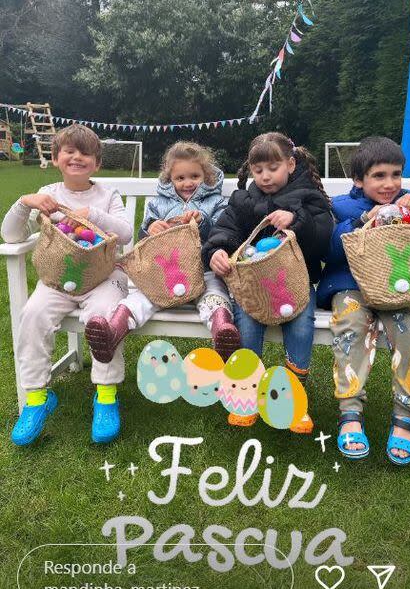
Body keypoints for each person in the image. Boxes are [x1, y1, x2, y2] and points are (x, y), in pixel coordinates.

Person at [1, 124, 133, 446]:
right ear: (57, 158)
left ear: (97, 164)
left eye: (85, 152)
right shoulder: (49, 194)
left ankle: (105, 395)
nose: (77, 157)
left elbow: (126, 234)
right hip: (58, 281)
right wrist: (24, 202)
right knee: (32, 314)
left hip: (104, 278)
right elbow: (10, 236)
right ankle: (36, 399)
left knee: (103, 317)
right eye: (69, 151)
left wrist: (93, 215)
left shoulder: (107, 195)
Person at [203, 132, 334, 431]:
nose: (265, 177)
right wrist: (217, 251)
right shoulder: (243, 200)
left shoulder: (308, 197)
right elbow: (225, 229)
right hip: (253, 288)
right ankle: (246, 393)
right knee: (247, 324)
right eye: (258, 170)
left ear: (290, 164)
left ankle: (293, 395)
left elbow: (323, 240)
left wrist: (297, 220)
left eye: (272, 168)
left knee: (301, 323)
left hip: (296, 284)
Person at [317, 136, 410, 465]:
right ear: (359, 180)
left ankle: (405, 417)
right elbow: (328, 251)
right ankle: (350, 414)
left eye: (396, 174)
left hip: (399, 289)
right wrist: (362, 221)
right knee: (350, 329)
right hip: (351, 286)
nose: (390, 184)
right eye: (379, 176)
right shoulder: (340, 207)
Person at [85, 141, 240, 365]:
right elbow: (143, 240)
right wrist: (150, 228)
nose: (187, 183)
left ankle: (222, 333)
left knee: (215, 296)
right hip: (163, 274)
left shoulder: (215, 202)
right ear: (170, 179)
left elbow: (222, 233)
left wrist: (202, 221)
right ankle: (112, 333)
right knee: (140, 298)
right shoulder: (158, 204)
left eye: (194, 176)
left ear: (205, 176)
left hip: (203, 273)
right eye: (180, 178)